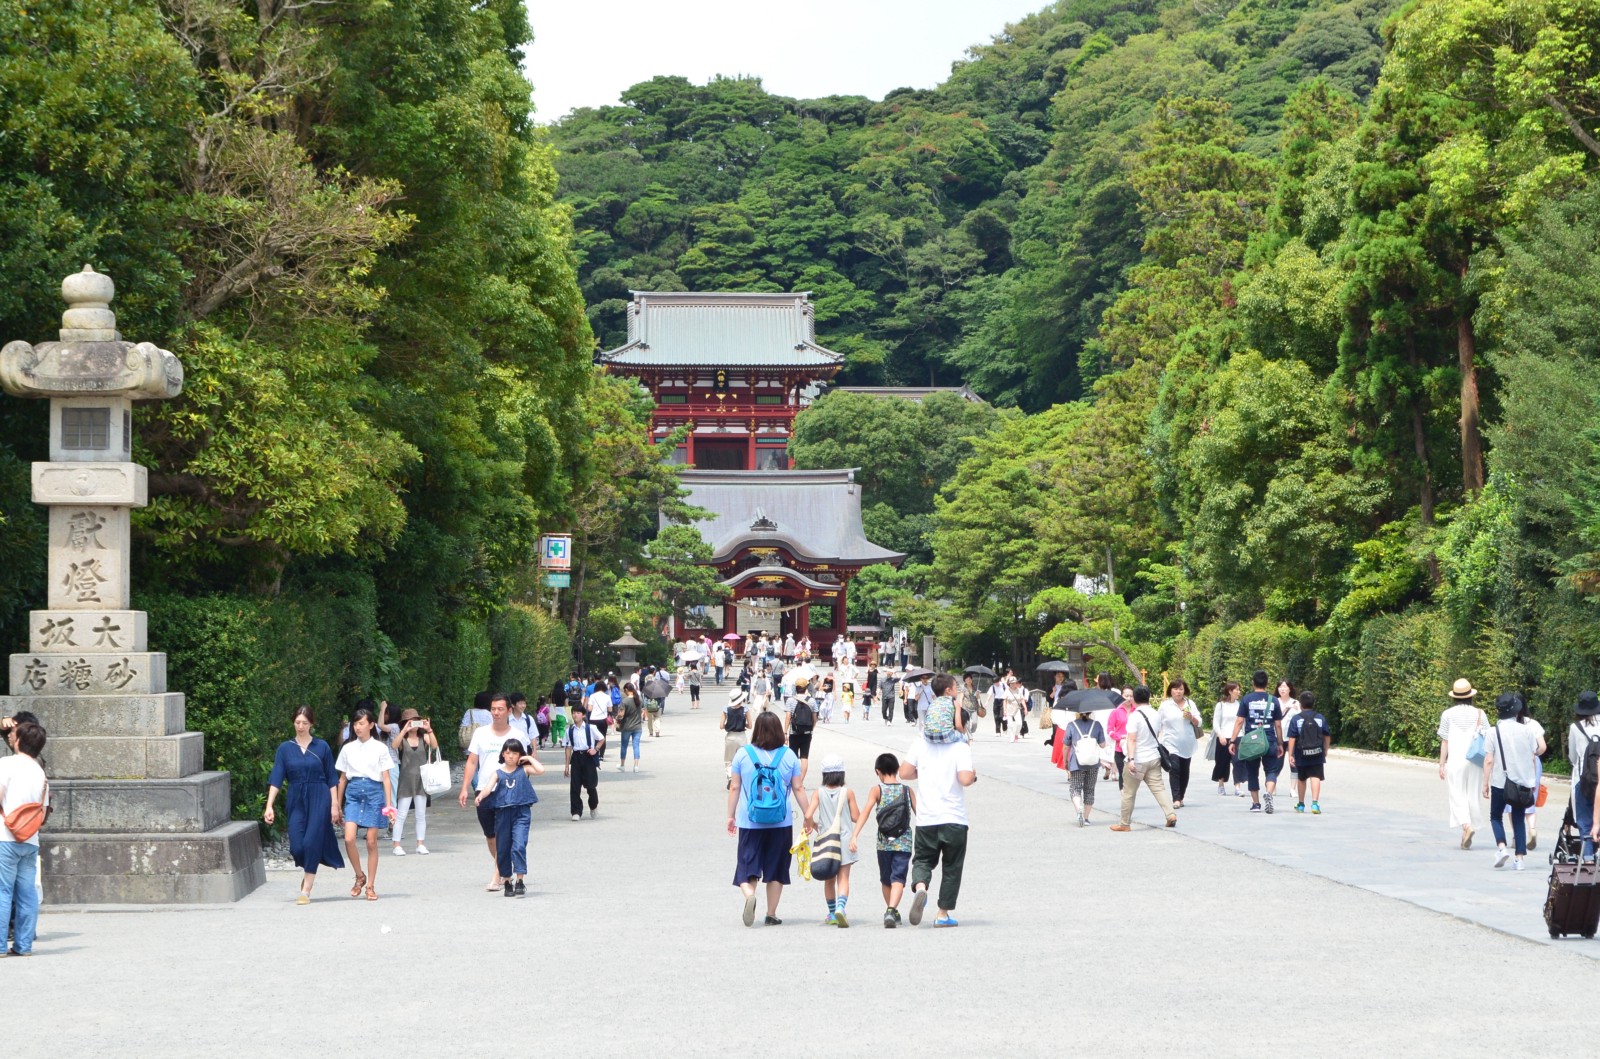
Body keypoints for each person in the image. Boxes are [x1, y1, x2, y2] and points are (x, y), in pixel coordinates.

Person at [727, 712, 814, 926]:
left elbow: (735, 787)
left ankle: (749, 895)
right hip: (780, 821)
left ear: (756, 730)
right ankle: (772, 913)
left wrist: (730, 816)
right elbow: (798, 788)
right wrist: (808, 816)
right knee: (776, 868)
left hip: (749, 819)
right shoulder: (789, 755)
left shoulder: (743, 754)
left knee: (748, 864)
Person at [901, 713, 977, 927]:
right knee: (952, 866)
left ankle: (921, 888)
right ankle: (942, 914)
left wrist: (923, 772)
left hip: (927, 817)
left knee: (922, 860)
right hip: (954, 817)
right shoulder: (961, 747)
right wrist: (973, 775)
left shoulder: (920, 743)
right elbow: (964, 778)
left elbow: (904, 773)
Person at [264, 706, 344, 904]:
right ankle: (309, 863)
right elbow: (276, 778)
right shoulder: (285, 748)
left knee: (311, 842)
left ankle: (306, 890)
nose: (300, 726)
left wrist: (334, 804)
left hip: (320, 796)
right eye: (297, 722)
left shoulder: (322, 747)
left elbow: (332, 778)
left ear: (312, 724)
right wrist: (269, 805)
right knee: (298, 846)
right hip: (296, 797)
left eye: (305, 723)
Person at [459, 693, 527, 890]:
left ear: (509, 711)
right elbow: (472, 761)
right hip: (484, 790)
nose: (496, 713)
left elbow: (524, 765)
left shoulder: (517, 735)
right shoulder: (480, 734)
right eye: (493, 709)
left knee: (503, 833)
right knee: (490, 835)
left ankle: (498, 876)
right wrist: (464, 788)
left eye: (500, 709)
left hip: (508, 790)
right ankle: (504, 864)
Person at [334, 707, 396, 901]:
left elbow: (386, 778)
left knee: (371, 841)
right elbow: (342, 778)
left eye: (362, 723)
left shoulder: (380, 748)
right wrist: (336, 804)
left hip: (374, 793)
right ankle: (359, 876)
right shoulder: (347, 748)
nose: (358, 727)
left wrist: (389, 806)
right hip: (353, 793)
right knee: (349, 838)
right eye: (355, 723)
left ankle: (370, 885)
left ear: (371, 725)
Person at [850, 752, 917, 928]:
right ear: (897, 769)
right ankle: (892, 910)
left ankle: (891, 909)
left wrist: (855, 835)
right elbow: (922, 815)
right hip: (904, 842)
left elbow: (865, 813)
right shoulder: (907, 790)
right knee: (898, 878)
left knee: (886, 879)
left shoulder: (877, 790)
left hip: (883, 842)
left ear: (877, 771)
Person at [1483, 691, 1544, 871]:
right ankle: (1519, 860)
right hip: (1522, 781)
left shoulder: (1493, 732)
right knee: (1518, 818)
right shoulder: (1527, 730)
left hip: (1501, 781)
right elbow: (1533, 756)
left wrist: (1485, 783)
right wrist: (1532, 780)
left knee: (1495, 816)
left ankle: (1502, 848)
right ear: (1516, 710)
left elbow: (1488, 760)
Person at [475, 739, 545, 897]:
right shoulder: (498, 773)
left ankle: (520, 880)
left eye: (514, 753)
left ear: (520, 755)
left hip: (521, 813)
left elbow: (540, 770)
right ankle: (507, 880)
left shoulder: (525, 769)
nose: (511, 756)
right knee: (503, 848)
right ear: (502, 754)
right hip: (503, 814)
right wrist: (480, 797)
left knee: (519, 845)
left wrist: (529, 758)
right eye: (507, 753)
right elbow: (487, 788)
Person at [0, 721, 47, 955]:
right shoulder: (40, 772)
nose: (10, 737)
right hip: (30, 840)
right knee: (27, 893)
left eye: (13, 735)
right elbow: (44, 810)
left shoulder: (6, 764)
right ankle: (23, 945)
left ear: (19, 740)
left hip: (4, 836)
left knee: (2, 890)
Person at [1111, 686, 1178, 832]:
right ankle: (1170, 814)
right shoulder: (1155, 714)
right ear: (1148, 697)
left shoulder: (1134, 716)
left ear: (1134, 698)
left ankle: (1124, 823)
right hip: (1154, 757)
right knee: (1159, 788)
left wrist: (1131, 759)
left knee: (1129, 792)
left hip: (1139, 759)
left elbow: (1132, 740)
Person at [807, 756, 860, 927]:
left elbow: (808, 815)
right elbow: (856, 817)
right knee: (843, 878)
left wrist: (814, 825)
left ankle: (831, 914)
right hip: (844, 839)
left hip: (826, 842)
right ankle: (841, 908)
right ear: (841, 774)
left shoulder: (818, 792)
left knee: (829, 879)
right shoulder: (847, 792)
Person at [1437, 678, 1487, 850]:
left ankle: (1466, 826)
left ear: (1454, 697)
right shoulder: (1480, 713)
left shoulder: (1447, 714)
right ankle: (1466, 832)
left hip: (1456, 759)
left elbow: (1445, 741)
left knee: (1457, 794)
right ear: (1470, 695)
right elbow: (1487, 738)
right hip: (1475, 760)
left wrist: (1442, 763)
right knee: (1471, 794)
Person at [1229, 670, 1284, 813]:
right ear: (1267, 684)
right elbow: (1278, 724)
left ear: (1253, 683)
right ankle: (1269, 794)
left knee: (1252, 772)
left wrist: (1233, 741)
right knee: (1271, 770)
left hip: (1252, 742)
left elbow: (1239, 721)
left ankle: (1256, 804)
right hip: (1270, 740)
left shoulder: (1247, 699)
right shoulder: (1274, 700)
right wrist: (1280, 743)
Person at [389, 709, 436, 856]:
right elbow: (394, 746)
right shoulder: (403, 739)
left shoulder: (424, 738)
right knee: (401, 814)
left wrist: (429, 729)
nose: (414, 724)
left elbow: (434, 746)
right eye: (410, 721)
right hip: (406, 780)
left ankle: (420, 843)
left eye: (416, 720)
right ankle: (396, 844)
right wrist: (404, 730)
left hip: (421, 780)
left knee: (420, 814)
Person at [1158, 680, 1203, 807]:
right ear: (1170, 690)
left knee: (1184, 770)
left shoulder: (1190, 703)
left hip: (1187, 743)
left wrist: (1191, 717)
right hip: (1170, 742)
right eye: (1176, 689)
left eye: (1181, 689)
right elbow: (1158, 723)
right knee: (1175, 769)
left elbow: (1199, 722)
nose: (1178, 692)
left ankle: (1181, 796)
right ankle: (1176, 799)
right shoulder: (1165, 706)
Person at [1568, 691, 1600, 863]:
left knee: (1584, 819)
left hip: (1583, 778)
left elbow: (1573, 756)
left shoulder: (1575, 728)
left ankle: (1588, 858)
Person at [1062, 706, 1108, 827]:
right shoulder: (1096, 725)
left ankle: (1079, 809)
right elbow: (1103, 745)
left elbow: (1066, 746)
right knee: (1089, 789)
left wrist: (1065, 761)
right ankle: (1086, 818)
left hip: (1076, 763)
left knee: (1075, 788)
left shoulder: (1071, 725)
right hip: (1093, 763)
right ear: (1090, 712)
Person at [1284, 691, 1329, 814]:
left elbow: (1292, 738)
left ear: (1301, 704)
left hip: (1301, 753)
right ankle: (1315, 805)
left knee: (1302, 778)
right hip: (1317, 752)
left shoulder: (1296, 718)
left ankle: (1301, 805)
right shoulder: (1320, 718)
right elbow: (1327, 735)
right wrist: (1325, 749)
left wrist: (1291, 755)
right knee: (1315, 777)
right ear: (1313, 703)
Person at [564, 702, 605, 820]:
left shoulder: (590, 728)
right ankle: (576, 812)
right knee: (575, 786)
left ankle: (593, 806)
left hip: (588, 757)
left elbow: (601, 738)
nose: (575, 715)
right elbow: (568, 748)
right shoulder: (569, 730)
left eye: (578, 713)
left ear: (583, 715)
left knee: (591, 785)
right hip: (576, 757)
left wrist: (595, 749)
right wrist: (567, 766)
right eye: (573, 713)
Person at [1211, 681, 1243, 796]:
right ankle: (1221, 784)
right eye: (1237, 690)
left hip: (1237, 736)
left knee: (1238, 761)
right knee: (1222, 762)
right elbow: (1216, 722)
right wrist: (1220, 735)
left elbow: (1241, 722)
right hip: (1224, 736)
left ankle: (1237, 787)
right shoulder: (1220, 705)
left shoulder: (1239, 705)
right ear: (1230, 691)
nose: (1239, 692)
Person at [786, 676, 816, 783]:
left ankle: (792, 780)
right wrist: (811, 728)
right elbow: (814, 717)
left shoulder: (790, 700)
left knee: (793, 757)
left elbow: (788, 716)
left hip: (794, 732)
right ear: (806, 687)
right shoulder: (811, 700)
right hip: (807, 733)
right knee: (804, 757)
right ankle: (800, 781)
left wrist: (785, 731)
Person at [1106, 679, 1132, 789]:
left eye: (1131, 696)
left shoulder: (1137, 711)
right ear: (1122, 696)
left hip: (1134, 747)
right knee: (1123, 772)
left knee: (1132, 774)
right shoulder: (1116, 712)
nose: (1129, 698)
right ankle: (1123, 793)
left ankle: (1130, 794)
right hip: (1120, 748)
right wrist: (1120, 736)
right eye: (1126, 696)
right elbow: (1110, 730)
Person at [721, 689, 751, 779]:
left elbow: (721, 726)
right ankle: (741, 777)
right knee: (742, 758)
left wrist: (729, 724)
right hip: (741, 736)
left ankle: (730, 776)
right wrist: (743, 724)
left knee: (729, 759)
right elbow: (750, 726)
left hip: (730, 736)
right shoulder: (745, 709)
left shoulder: (726, 709)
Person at [615, 683, 645, 774]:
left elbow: (621, 715)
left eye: (624, 690)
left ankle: (622, 765)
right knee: (636, 746)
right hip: (637, 726)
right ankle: (636, 766)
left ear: (627, 690)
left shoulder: (625, 701)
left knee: (624, 746)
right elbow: (642, 711)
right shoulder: (639, 699)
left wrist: (617, 718)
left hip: (627, 726)